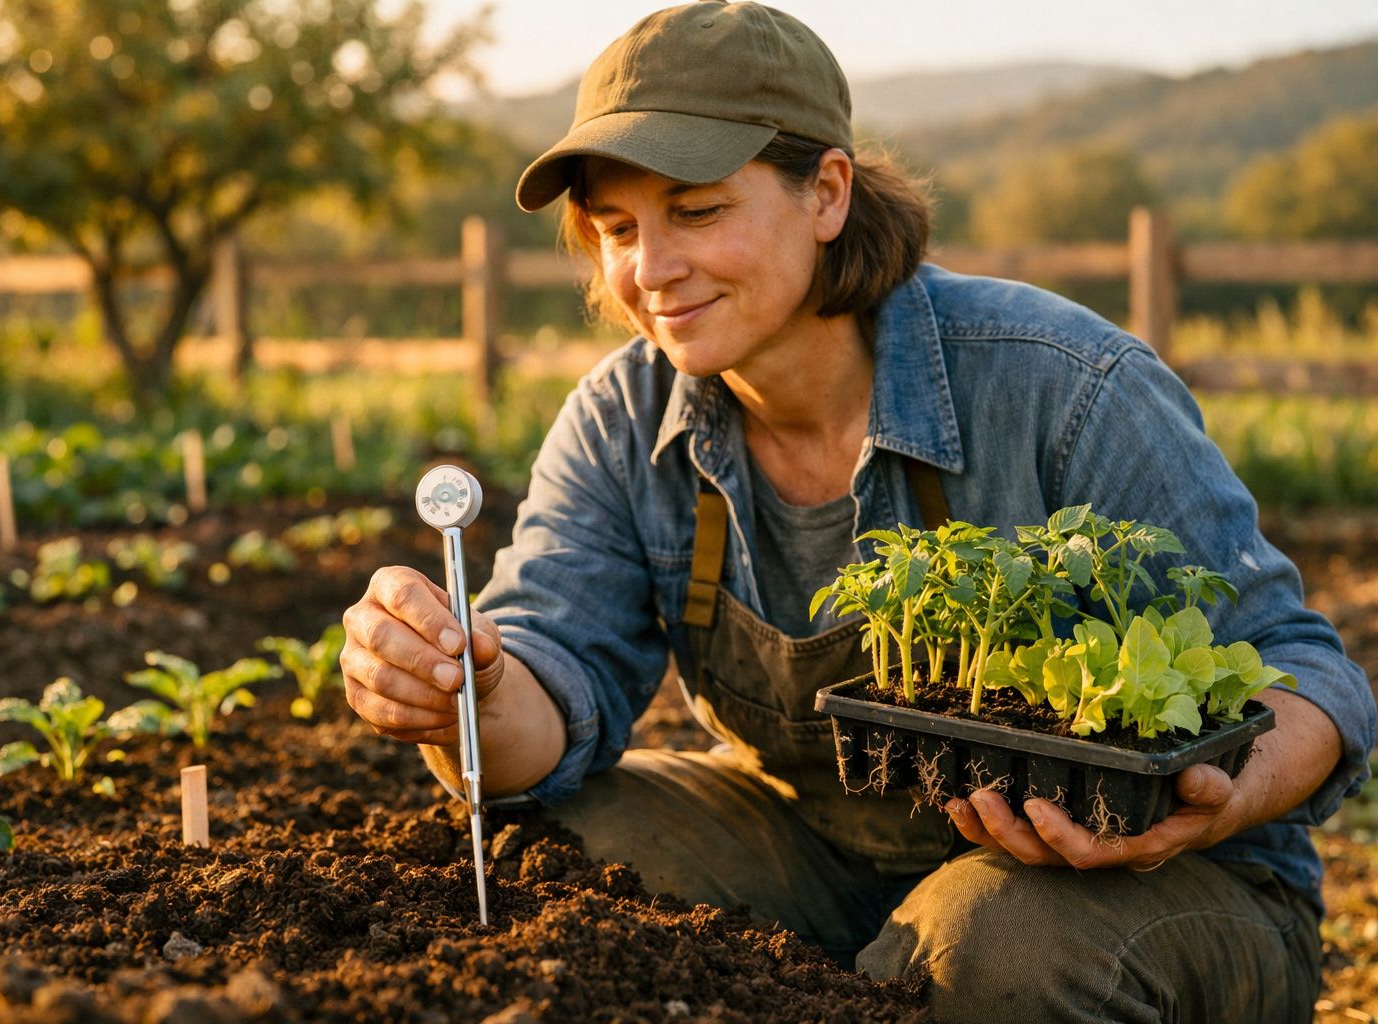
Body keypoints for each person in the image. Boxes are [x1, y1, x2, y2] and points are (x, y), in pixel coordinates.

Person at [341, 3, 1375, 1020]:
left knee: (996, 948)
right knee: (563, 843)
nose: (650, 271)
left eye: (696, 211)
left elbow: (1305, 670)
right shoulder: (624, 415)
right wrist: (459, 683)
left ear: (827, 192)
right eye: (617, 229)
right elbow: (546, 694)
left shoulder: (1064, 385)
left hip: (1146, 887)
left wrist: (1215, 803)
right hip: (819, 852)